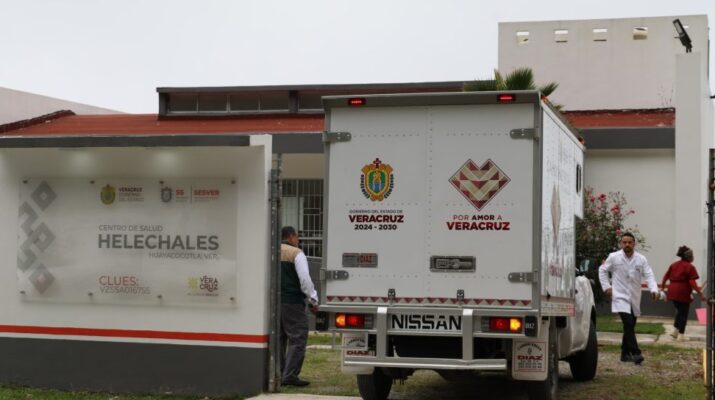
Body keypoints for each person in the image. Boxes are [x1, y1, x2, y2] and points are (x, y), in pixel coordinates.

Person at [599, 232, 659, 365]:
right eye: (624, 242)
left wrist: (654, 289)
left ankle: (624, 354)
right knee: (628, 323)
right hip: (619, 295)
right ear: (621, 243)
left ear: (634, 244)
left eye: (629, 242)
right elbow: (602, 270)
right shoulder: (614, 257)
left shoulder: (641, 259)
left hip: (634, 297)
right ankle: (636, 352)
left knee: (630, 325)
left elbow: (649, 275)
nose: (627, 244)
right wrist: (607, 287)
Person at [280, 226, 318, 387]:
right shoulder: (296, 253)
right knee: (298, 337)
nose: (298, 240)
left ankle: (277, 372)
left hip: (273, 302)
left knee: (278, 338)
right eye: (297, 236)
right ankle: (289, 375)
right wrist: (313, 299)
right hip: (292, 301)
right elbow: (305, 279)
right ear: (290, 236)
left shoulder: (269, 251)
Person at [661, 245, 706, 341]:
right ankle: (681, 335)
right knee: (684, 314)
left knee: (680, 311)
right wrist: (700, 293)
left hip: (672, 291)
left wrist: (663, 289)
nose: (693, 257)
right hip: (682, 292)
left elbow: (665, 277)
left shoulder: (674, 265)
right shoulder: (690, 267)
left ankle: (675, 331)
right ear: (689, 257)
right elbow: (692, 282)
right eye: (692, 255)